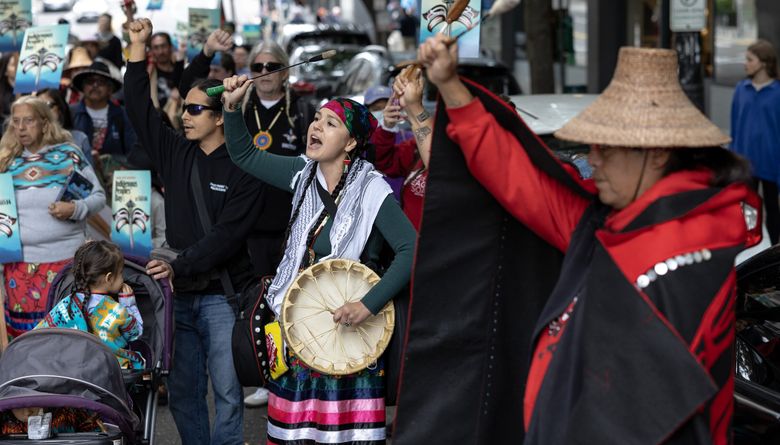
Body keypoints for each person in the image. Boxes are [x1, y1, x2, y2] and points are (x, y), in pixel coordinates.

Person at [395, 36, 763, 444]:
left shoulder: (695, 252)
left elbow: (650, 417)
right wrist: (449, 86)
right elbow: (519, 178)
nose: (593, 158)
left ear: (656, 154)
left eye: (606, 146)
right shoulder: (609, 223)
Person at [222, 74, 415, 444]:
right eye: (316, 119)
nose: (316, 126)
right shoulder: (301, 173)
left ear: (352, 142)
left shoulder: (372, 189)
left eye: (331, 123)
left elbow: (411, 250)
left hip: (351, 338)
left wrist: (367, 305)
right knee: (293, 435)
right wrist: (232, 107)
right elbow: (244, 154)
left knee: (345, 437)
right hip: (299, 333)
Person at [125, 18, 264, 445]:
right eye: (184, 107)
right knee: (184, 392)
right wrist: (136, 46)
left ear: (221, 118)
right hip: (177, 297)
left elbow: (227, 235)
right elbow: (136, 105)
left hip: (223, 298)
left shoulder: (246, 165)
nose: (183, 116)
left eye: (194, 109)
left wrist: (179, 264)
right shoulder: (174, 151)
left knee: (226, 393)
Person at [0, 97, 105, 338]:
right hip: (20, 268)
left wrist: (75, 209)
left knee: (69, 335)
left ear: (45, 123)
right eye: (16, 122)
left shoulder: (69, 155)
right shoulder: (6, 161)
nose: (21, 127)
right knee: (28, 339)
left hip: (67, 263)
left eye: (28, 120)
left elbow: (99, 196)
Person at [37, 240, 144, 369]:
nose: (123, 278)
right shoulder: (116, 311)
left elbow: (41, 331)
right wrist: (128, 303)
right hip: (108, 369)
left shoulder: (66, 304)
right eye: (121, 273)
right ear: (109, 278)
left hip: (70, 368)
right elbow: (136, 333)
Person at [730, 39, 780, 245]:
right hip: (745, 164)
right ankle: (748, 254)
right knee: (747, 212)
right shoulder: (741, 89)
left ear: (764, 63)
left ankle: (774, 256)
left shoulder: (777, 93)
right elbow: (734, 126)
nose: (745, 63)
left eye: (750, 59)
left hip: (772, 165)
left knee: (773, 212)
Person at [372, 69, 432, 229]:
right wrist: (388, 126)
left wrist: (414, 106)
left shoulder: (461, 156)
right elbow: (385, 161)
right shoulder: (415, 149)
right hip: (409, 247)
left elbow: (434, 157)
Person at [70, 61, 136, 159]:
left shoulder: (123, 114)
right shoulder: (71, 113)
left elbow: (132, 153)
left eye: (101, 82)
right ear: (83, 87)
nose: (95, 85)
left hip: (114, 172)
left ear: (110, 89)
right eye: (90, 81)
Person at [37, 88, 93, 165]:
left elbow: (88, 175)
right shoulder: (29, 140)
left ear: (60, 108)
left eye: (48, 105)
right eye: (38, 108)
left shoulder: (79, 138)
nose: (43, 111)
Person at [148, 32, 184, 109]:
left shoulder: (180, 69)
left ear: (170, 46)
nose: (160, 51)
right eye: (156, 47)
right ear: (152, 51)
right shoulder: (149, 74)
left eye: (163, 46)